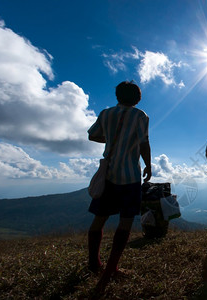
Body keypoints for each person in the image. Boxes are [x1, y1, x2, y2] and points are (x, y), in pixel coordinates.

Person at [87, 81, 152, 292]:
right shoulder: (140, 116)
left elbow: (92, 135)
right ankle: (111, 269)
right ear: (137, 99)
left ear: (117, 95)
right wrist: (149, 165)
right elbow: (143, 142)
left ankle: (94, 263)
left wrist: (112, 138)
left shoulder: (106, 114)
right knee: (125, 222)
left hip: (108, 174)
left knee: (100, 218)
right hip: (130, 175)